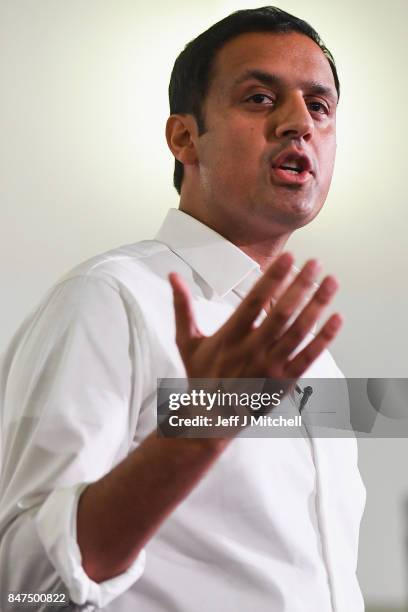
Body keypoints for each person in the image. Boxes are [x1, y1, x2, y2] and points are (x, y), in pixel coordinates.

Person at [0, 6, 366, 612]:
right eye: (258, 98)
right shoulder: (109, 300)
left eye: (319, 106)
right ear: (184, 137)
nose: (299, 123)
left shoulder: (315, 362)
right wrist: (198, 431)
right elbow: (23, 585)